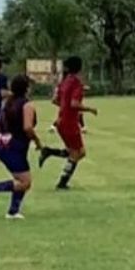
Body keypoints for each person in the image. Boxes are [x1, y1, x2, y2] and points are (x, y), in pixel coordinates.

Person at [0, 75, 42, 219]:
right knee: (25, 182)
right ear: (26, 88)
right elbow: (28, 128)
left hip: (4, 145)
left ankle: (13, 211)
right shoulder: (27, 105)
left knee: (20, 180)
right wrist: (37, 142)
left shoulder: (7, 103)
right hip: (15, 147)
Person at [38, 56, 98, 190]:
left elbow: (54, 100)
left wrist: (64, 108)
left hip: (61, 121)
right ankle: (62, 183)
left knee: (76, 152)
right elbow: (74, 103)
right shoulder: (76, 83)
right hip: (69, 123)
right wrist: (89, 109)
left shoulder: (64, 81)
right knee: (78, 153)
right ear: (80, 68)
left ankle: (48, 151)